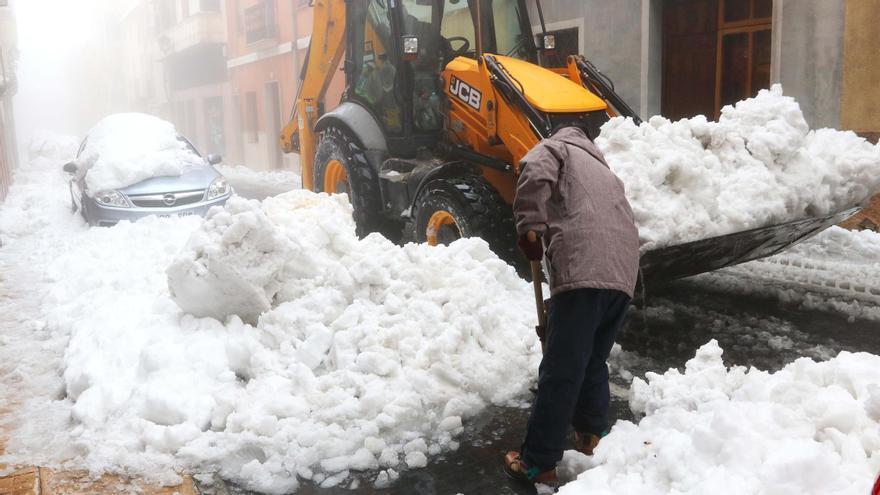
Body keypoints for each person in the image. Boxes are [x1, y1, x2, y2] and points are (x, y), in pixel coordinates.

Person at [503, 124, 640, 485]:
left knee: (561, 370)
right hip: (623, 276)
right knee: (592, 361)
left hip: (583, 269)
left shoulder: (556, 148)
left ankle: (537, 461)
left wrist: (529, 225)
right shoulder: (605, 171)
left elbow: (533, 170)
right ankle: (592, 436)